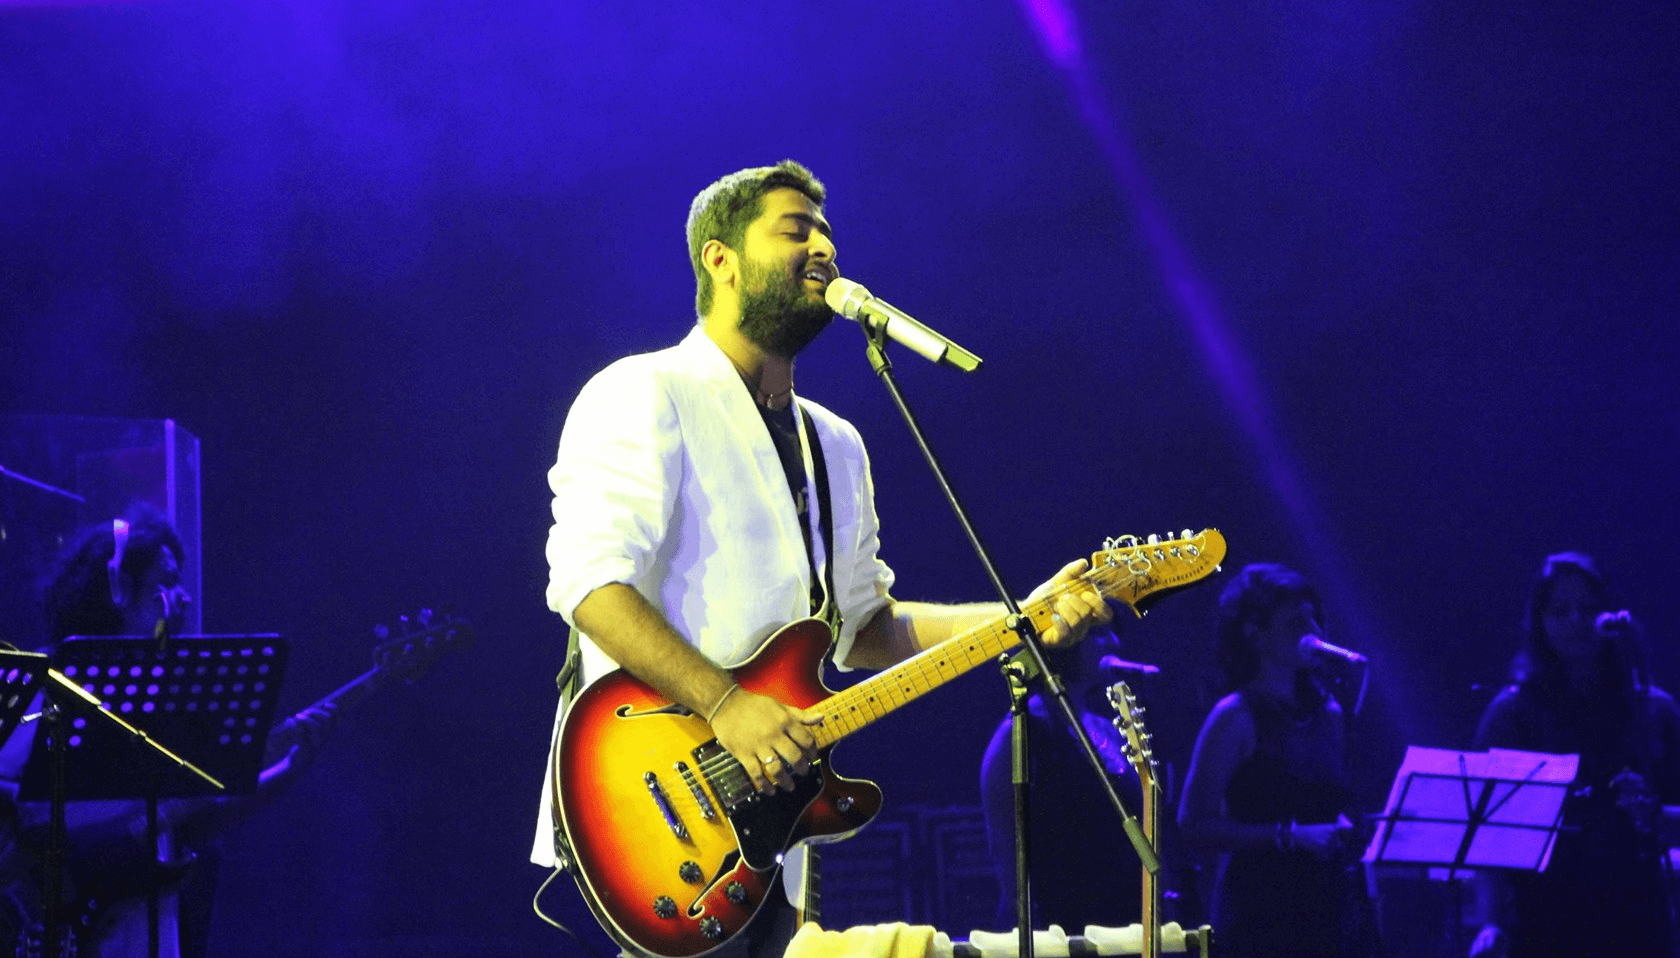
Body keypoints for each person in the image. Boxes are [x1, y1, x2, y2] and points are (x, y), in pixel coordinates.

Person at [532, 160, 1113, 956]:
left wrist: (1024, 616)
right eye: (795, 230)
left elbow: (865, 629)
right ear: (719, 258)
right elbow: (589, 583)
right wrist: (725, 704)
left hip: (772, 833)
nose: (824, 248)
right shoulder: (644, 391)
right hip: (654, 813)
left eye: (828, 233)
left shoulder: (837, 444)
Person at [0, 508, 331, 958]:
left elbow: (192, 824)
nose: (184, 599)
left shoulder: (162, 704)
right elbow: (20, 806)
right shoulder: (52, 684)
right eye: (167, 582)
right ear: (119, 590)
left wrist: (286, 771)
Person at [1468, 552, 1680, 958]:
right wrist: (1490, 922)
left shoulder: (1652, 709)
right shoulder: (1513, 714)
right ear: (1540, 622)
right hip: (1545, 921)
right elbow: (1487, 832)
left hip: (1639, 920)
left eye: (1588, 608)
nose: (1576, 620)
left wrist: (1653, 815)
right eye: (1560, 610)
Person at [1175, 563, 1378, 958]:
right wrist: (1286, 836)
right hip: (1260, 910)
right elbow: (1193, 823)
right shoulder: (1235, 715)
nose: (1313, 632)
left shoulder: (1330, 713)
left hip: (1325, 904)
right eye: (1296, 623)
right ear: (1255, 633)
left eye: (1315, 620)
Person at [977, 629, 1162, 933]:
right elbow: (1006, 847)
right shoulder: (1022, 733)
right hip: (1064, 928)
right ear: (1061, 643)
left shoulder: (1108, 727)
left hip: (1127, 922)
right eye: (1096, 633)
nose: (1113, 642)